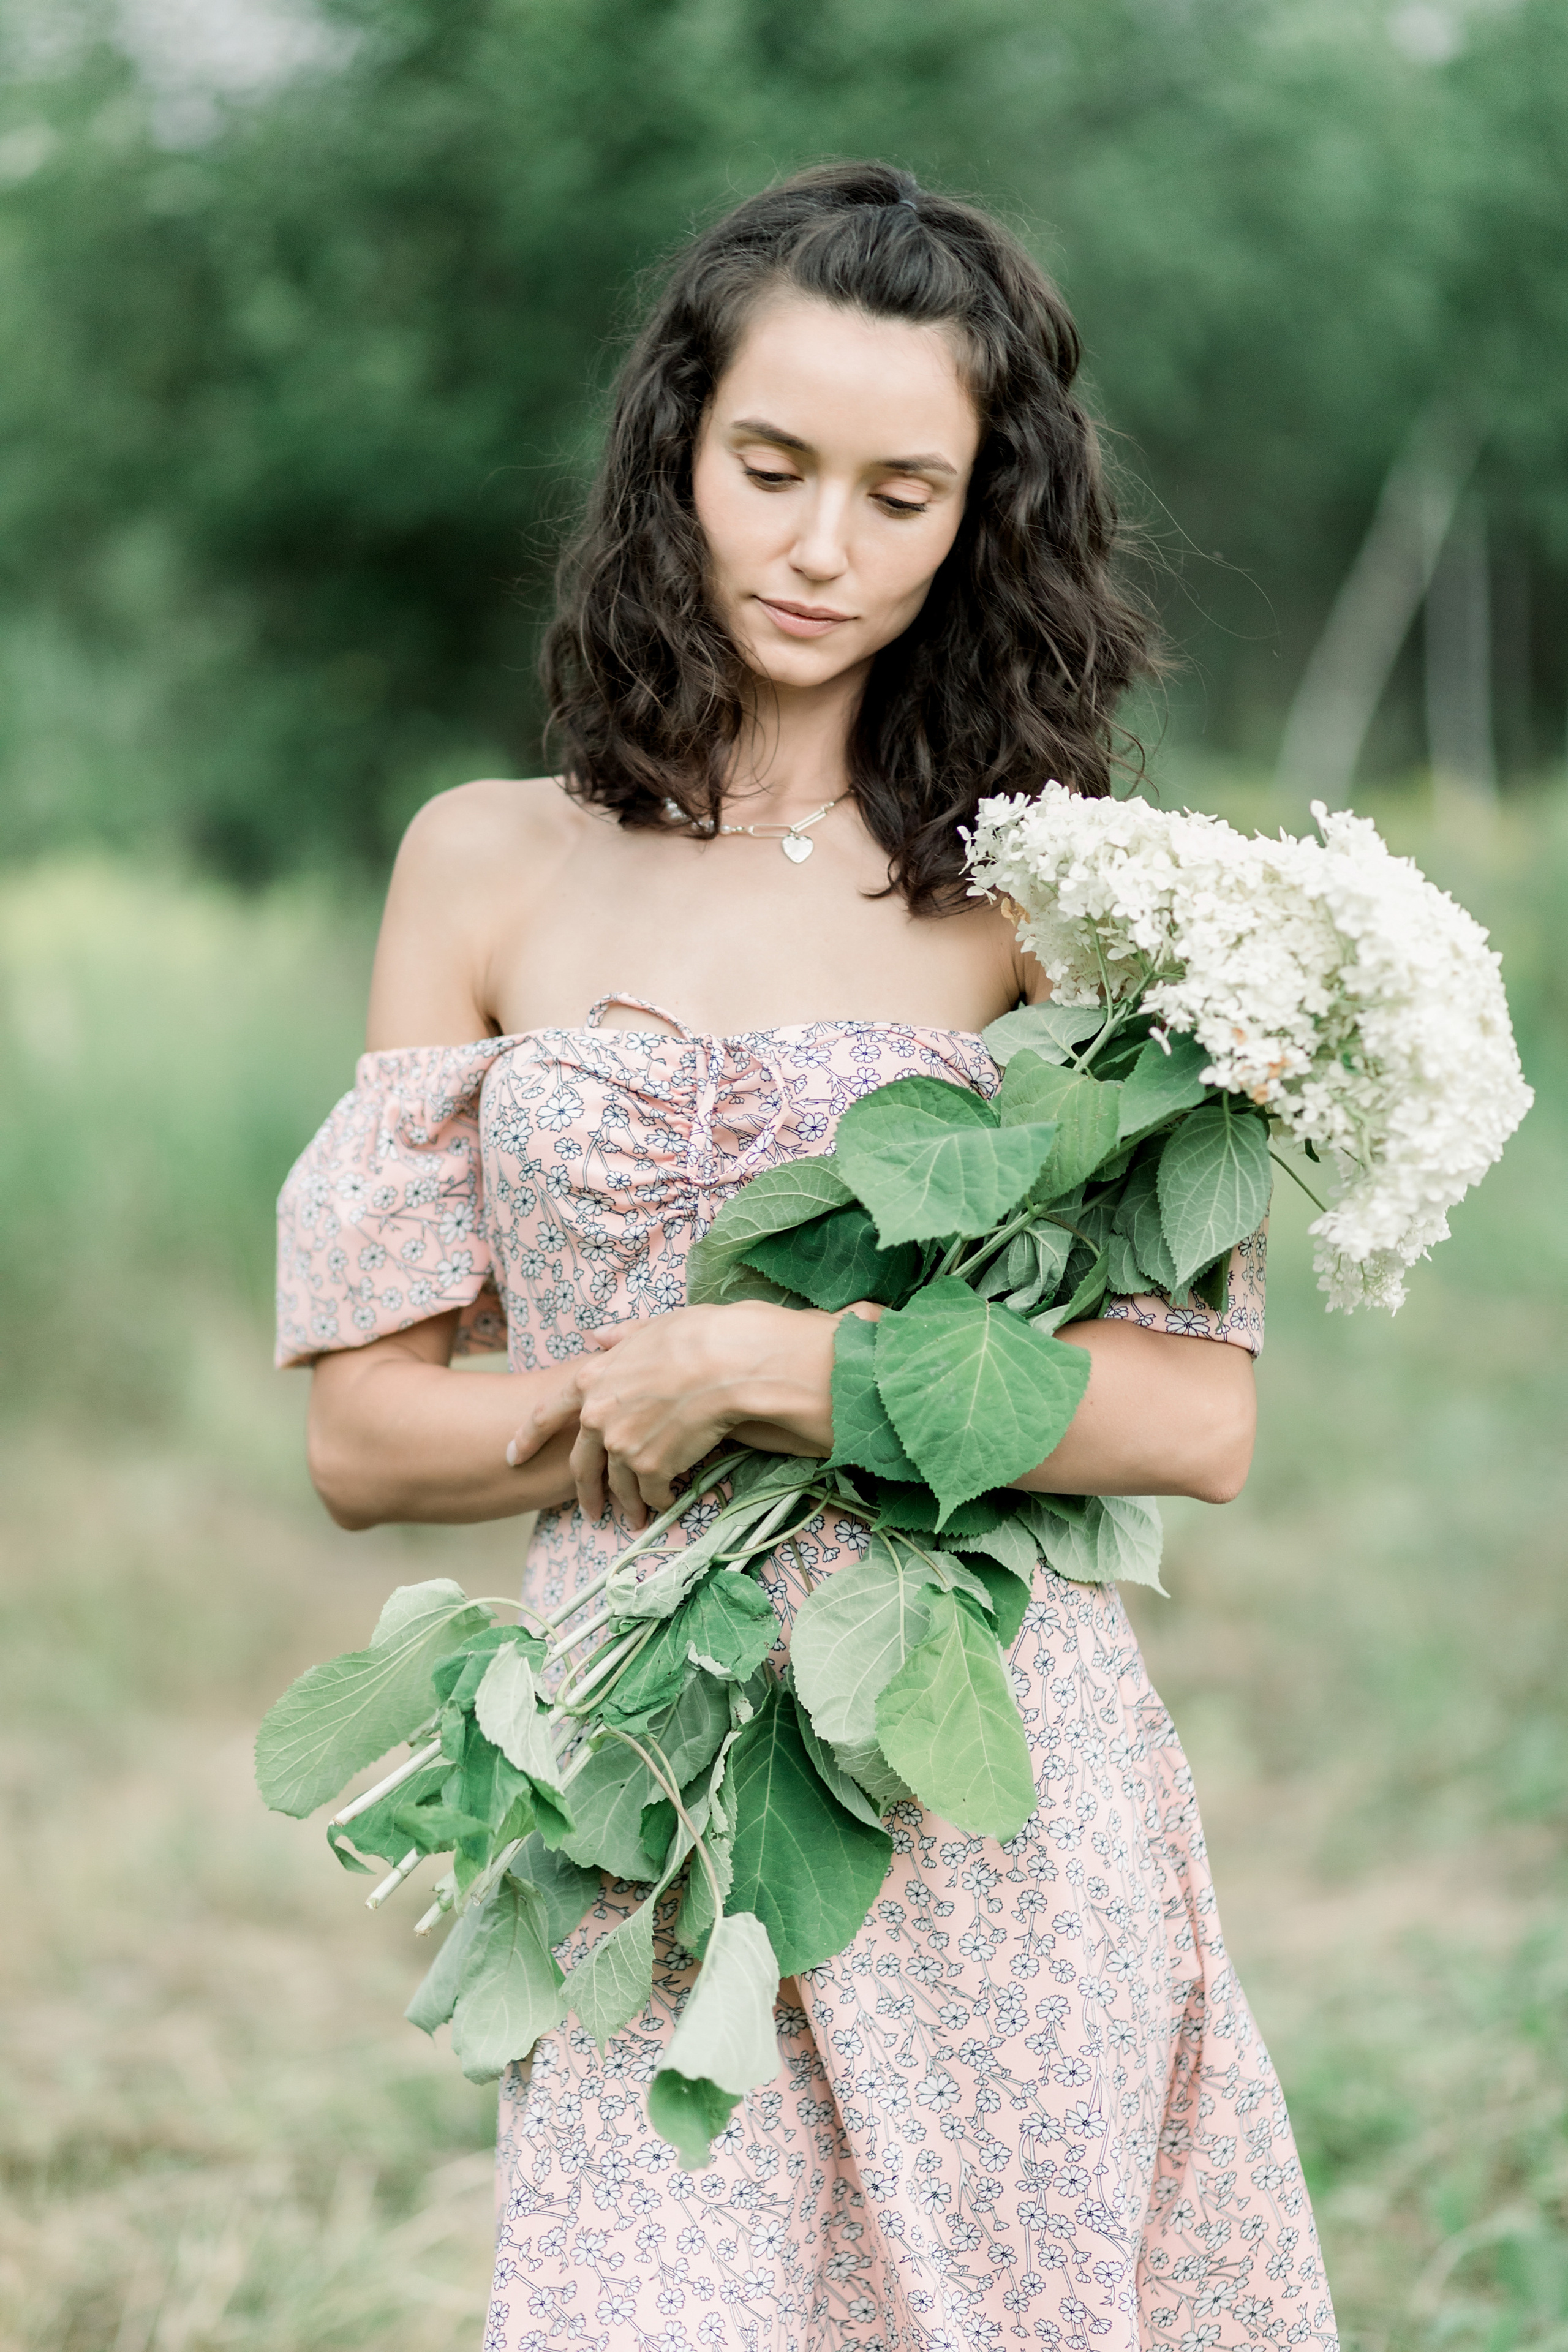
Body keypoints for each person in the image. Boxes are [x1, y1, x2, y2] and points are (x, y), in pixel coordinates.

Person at [276, 162, 1333, 2352]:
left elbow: (1196, 1417)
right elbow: (371, 1439)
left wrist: (774, 1369)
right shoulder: (482, 863)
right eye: (771, 467)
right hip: (645, 1803)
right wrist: (602, 1406)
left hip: (984, 1780)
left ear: (982, 520)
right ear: (678, 449)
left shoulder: (1058, 901)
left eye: (903, 492)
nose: (822, 547)